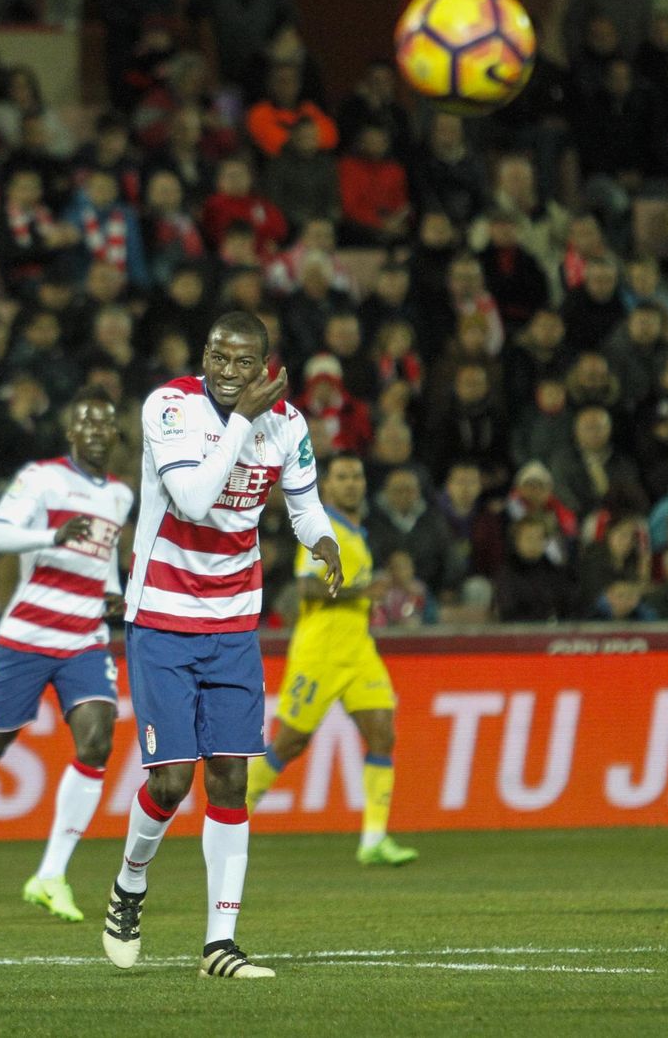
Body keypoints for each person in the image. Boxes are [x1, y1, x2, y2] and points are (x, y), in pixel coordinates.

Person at [100, 311, 339, 981]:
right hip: (163, 617)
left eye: (242, 362)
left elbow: (304, 502)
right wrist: (241, 423)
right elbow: (196, 498)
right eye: (217, 357)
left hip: (235, 621)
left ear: (266, 364)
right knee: (172, 781)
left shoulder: (288, 424)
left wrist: (322, 540)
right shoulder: (170, 406)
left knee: (231, 777)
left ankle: (220, 944)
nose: (227, 372)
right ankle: (129, 883)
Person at [0, 388, 135, 926]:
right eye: (87, 423)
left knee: (98, 739)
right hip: (29, 632)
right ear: (70, 433)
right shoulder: (41, 479)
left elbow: (103, 559)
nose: (97, 432)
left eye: (105, 424)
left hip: (84, 637)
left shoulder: (120, 497)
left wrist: (113, 592)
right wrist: (51, 534)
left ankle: (51, 874)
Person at [245, 452, 417, 867]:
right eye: (342, 477)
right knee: (290, 743)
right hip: (320, 651)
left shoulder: (355, 531)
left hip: (358, 649)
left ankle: (373, 839)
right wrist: (363, 592)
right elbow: (306, 587)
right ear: (327, 486)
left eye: (357, 475)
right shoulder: (322, 530)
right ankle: (231, 816)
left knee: (382, 734)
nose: (352, 483)